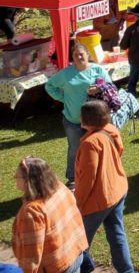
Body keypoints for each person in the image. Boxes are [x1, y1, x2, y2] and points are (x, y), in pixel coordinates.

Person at [74, 100, 134, 273]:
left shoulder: (90, 143)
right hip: (117, 190)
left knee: (78, 242)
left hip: (99, 200)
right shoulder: (111, 130)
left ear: (87, 118)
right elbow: (119, 151)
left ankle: (86, 269)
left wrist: (78, 204)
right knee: (117, 234)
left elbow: (88, 178)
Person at [45, 43, 112, 186]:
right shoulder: (65, 74)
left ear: (88, 55)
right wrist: (63, 98)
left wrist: (99, 88)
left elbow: (110, 86)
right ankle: (73, 178)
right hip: (74, 119)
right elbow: (49, 85)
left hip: (95, 121)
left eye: (81, 54)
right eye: (76, 55)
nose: (79, 57)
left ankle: (100, 174)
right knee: (75, 149)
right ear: (73, 58)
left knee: (98, 147)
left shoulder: (97, 69)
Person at [12, 157, 88, 273]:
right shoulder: (59, 188)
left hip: (56, 267)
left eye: (17, 176)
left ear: (28, 181)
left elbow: (31, 256)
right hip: (74, 255)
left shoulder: (32, 212)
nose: (15, 178)